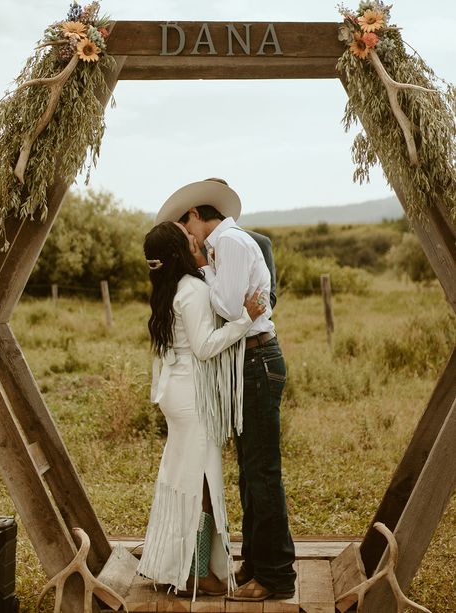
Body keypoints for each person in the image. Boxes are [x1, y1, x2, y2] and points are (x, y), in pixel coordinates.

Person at [155, 179, 296, 602]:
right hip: (246, 362)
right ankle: (257, 565)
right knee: (251, 474)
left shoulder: (230, 243)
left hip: (256, 360)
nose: (189, 240)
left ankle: (275, 576)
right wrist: (207, 270)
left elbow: (232, 309)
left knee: (262, 473)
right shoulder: (224, 248)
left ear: (196, 216)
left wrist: (201, 270)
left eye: (187, 228)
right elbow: (232, 304)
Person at [137, 221, 266, 599]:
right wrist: (244, 319)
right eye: (190, 238)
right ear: (179, 252)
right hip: (191, 396)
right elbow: (206, 346)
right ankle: (198, 573)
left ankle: (174, 564)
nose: (198, 241)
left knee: (182, 478)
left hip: (178, 392)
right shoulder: (190, 290)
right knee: (201, 483)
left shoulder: (169, 289)